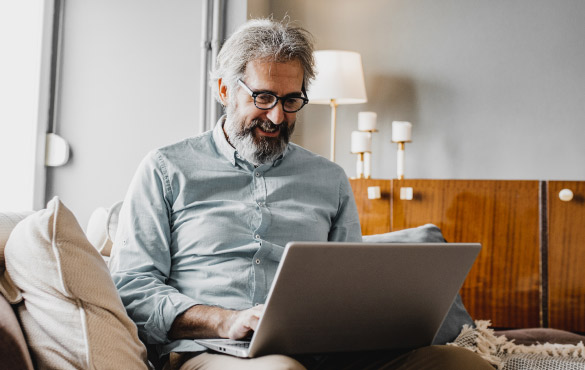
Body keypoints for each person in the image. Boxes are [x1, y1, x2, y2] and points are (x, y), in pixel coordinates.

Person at [109, 18, 494, 370]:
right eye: (263, 98)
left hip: (325, 354)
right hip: (210, 351)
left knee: (461, 365)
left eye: (291, 101)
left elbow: (351, 285)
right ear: (226, 89)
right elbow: (132, 287)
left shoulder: (329, 179)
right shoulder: (166, 168)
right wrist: (226, 321)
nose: (278, 117)